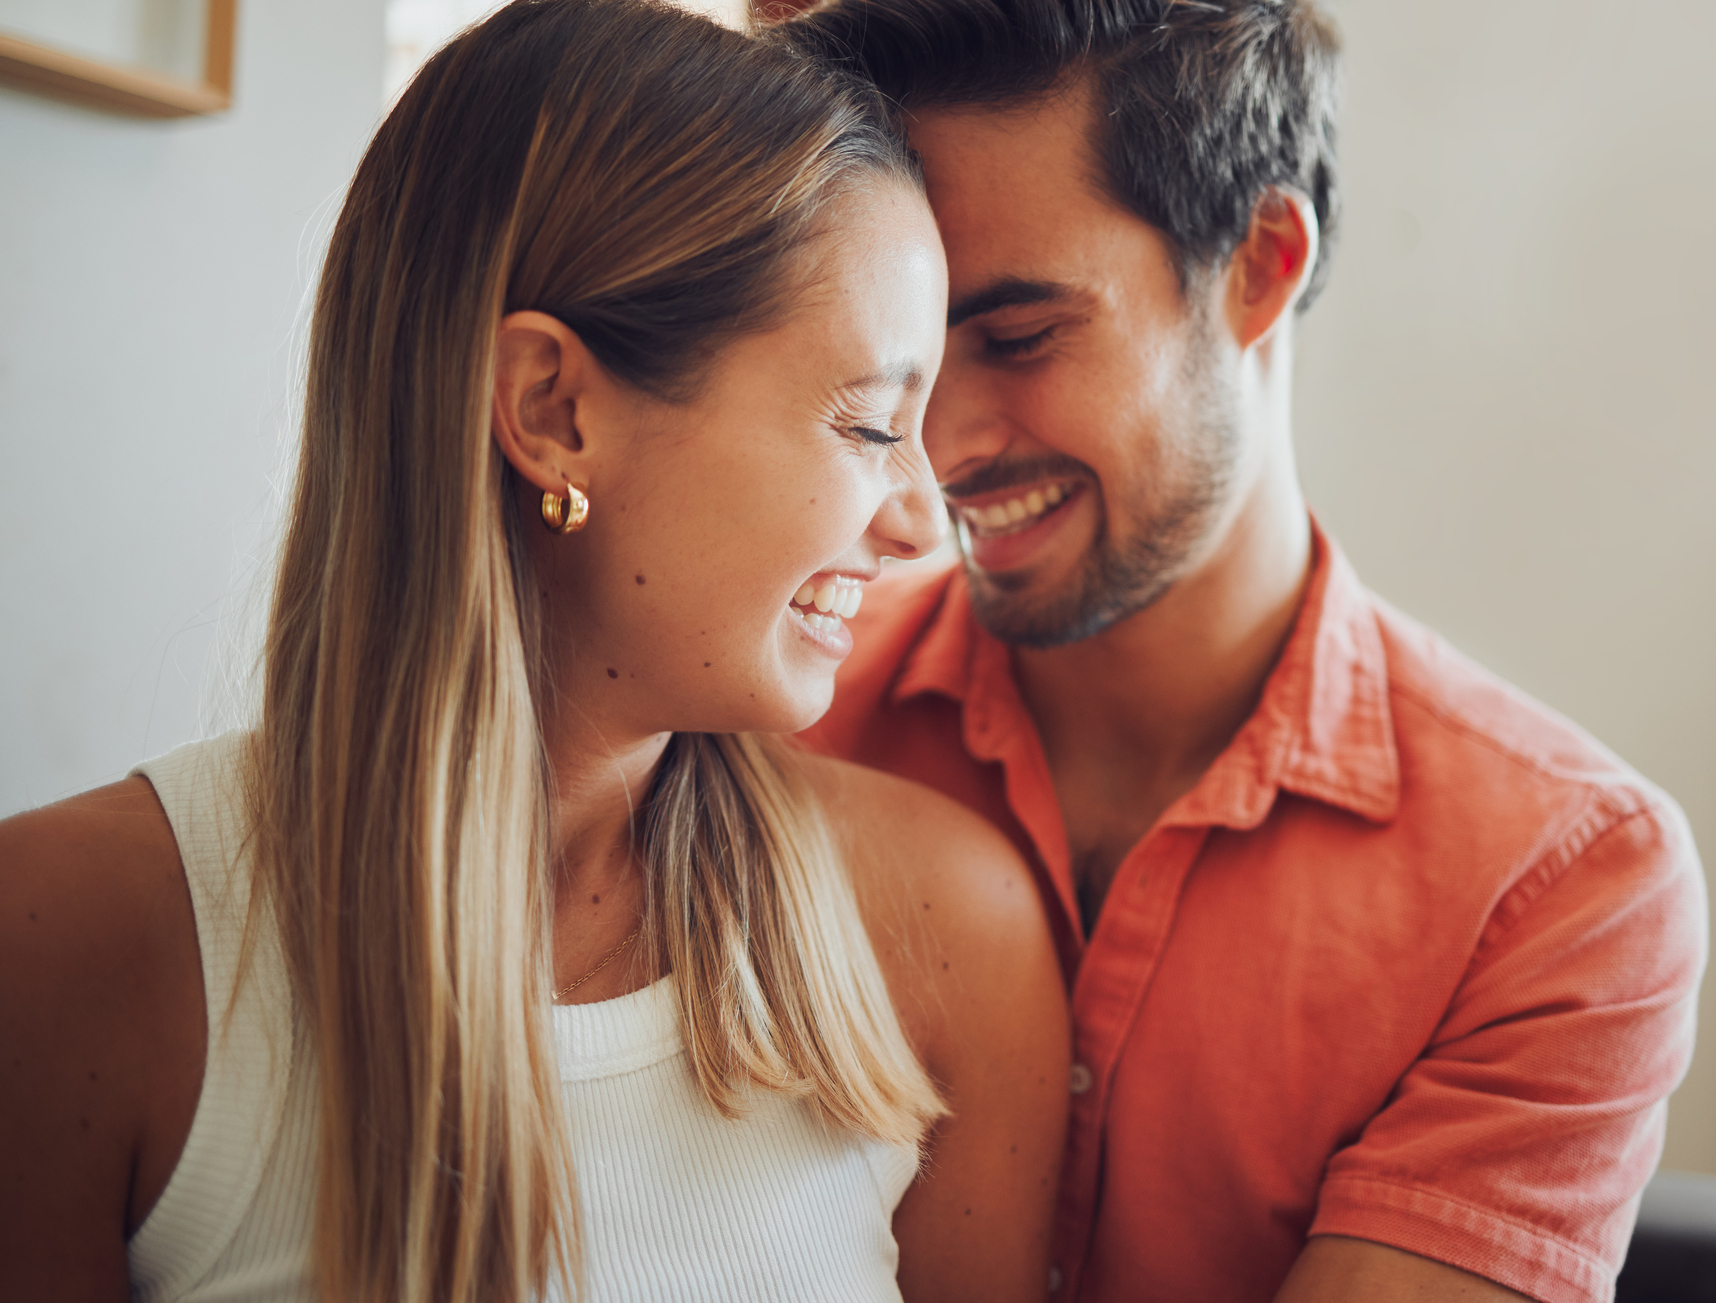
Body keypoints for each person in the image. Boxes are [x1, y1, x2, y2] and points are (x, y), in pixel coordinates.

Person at [0, 2, 1070, 1300]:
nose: (917, 523)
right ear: (552, 410)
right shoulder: (62, 947)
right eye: (866, 427)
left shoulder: (952, 933)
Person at [774, 2, 1710, 1301]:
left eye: (1021, 337)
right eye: (909, 359)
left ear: (1262, 264)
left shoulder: (1558, 888)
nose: (939, 451)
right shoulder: (764, 718)